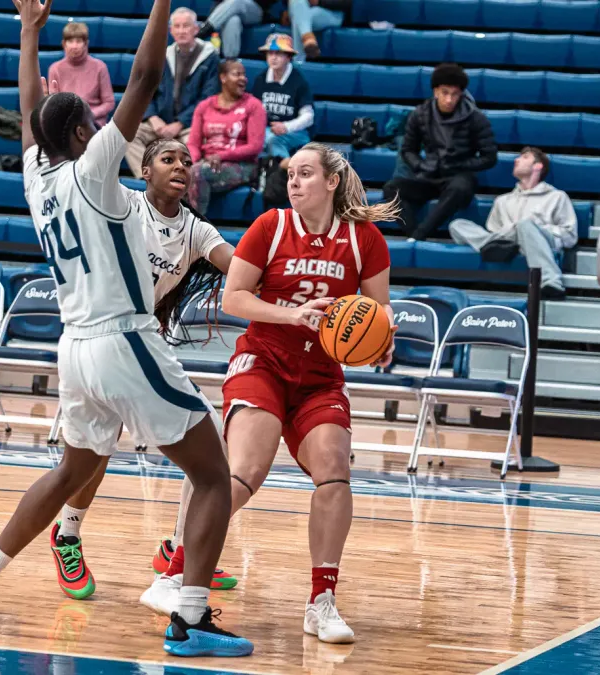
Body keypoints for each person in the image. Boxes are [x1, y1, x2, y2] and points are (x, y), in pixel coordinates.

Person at [0, 0, 253, 658]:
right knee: (212, 475)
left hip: (75, 348)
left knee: (71, 470)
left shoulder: (37, 179)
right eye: (92, 121)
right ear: (85, 134)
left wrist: (29, 32)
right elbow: (143, 79)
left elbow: (33, 109)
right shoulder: (93, 169)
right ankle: (191, 618)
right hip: (123, 339)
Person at [139, 143, 399, 646]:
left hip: (320, 375)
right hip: (263, 362)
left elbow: (379, 310)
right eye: (291, 174)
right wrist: (293, 314)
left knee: (334, 473)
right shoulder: (271, 226)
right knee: (244, 472)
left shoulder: (364, 238)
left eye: (305, 174)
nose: (294, 182)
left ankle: (321, 603)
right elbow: (234, 299)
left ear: (331, 182)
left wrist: (382, 335)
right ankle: (173, 574)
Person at [48, 136, 241, 607]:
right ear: (146, 171)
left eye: (187, 160)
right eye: (168, 159)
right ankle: (67, 534)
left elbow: (236, 266)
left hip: (144, 342)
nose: (180, 166)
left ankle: (180, 549)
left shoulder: (195, 230)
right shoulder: (123, 204)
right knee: (96, 451)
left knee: (207, 445)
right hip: (99, 336)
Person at [381, 63, 497, 242]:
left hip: (458, 177)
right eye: (445, 93)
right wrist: (420, 165)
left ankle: (419, 235)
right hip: (429, 175)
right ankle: (413, 234)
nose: (449, 99)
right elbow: (408, 150)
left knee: (460, 187)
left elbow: (490, 157)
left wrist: (460, 164)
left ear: (461, 94)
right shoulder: (420, 114)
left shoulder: (476, 118)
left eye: (455, 94)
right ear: (435, 91)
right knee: (391, 188)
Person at [449, 147, 575, 300]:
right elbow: (495, 231)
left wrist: (534, 229)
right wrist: (512, 232)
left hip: (541, 242)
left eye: (525, 157)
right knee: (457, 225)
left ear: (538, 166)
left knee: (525, 225)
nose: (516, 160)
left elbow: (569, 235)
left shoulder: (557, 196)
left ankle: (552, 283)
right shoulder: (502, 200)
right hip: (506, 242)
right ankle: (495, 246)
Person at [124, 7, 219, 179]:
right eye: (177, 26)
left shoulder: (210, 57)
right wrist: (153, 118)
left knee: (198, 143)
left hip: (189, 126)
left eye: (186, 26)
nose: (181, 31)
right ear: (171, 30)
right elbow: (146, 89)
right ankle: (148, 178)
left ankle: (174, 180)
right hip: (160, 123)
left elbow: (207, 98)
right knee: (128, 135)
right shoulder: (162, 55)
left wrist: (180, 123)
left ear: (196, 29)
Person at [187, 59, 266, 215]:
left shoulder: (254, 105)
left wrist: (221, 156)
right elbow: (193, 143)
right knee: (182, 173)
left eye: (244, 75)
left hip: (243, 165)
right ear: (223, 78)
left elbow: (255, 147)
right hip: (208, 163)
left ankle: (195, 225)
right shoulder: (204, 106)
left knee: (197, 173)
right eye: (237, 74)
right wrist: (189, 162)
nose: (243, 79)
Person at [251, 33, 314, 163]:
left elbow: (308, 117)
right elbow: (253, 111)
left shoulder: (299, 81)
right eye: (270, 53)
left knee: (273, 140)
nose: (273, 58)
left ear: (288, 57)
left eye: (278, 54)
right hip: (266, 130)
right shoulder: (260, 79)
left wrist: (286, 127)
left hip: (296, 131)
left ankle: (285, 172)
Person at [47, 21, 113, 128]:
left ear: (86, 43)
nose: (74, 46)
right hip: (65, 122)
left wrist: (89, 115)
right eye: (70, 41)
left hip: (93, 122)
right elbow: (54, 103)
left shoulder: (100, 67)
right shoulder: (55, 69)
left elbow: (109, 102)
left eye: (78, 41)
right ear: (64, 44)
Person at [196, 0, 273, 59]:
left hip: (254, 9)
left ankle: (202, 31)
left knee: (236, 1)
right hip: (226, 8)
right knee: (233, 20)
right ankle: (230, 60)